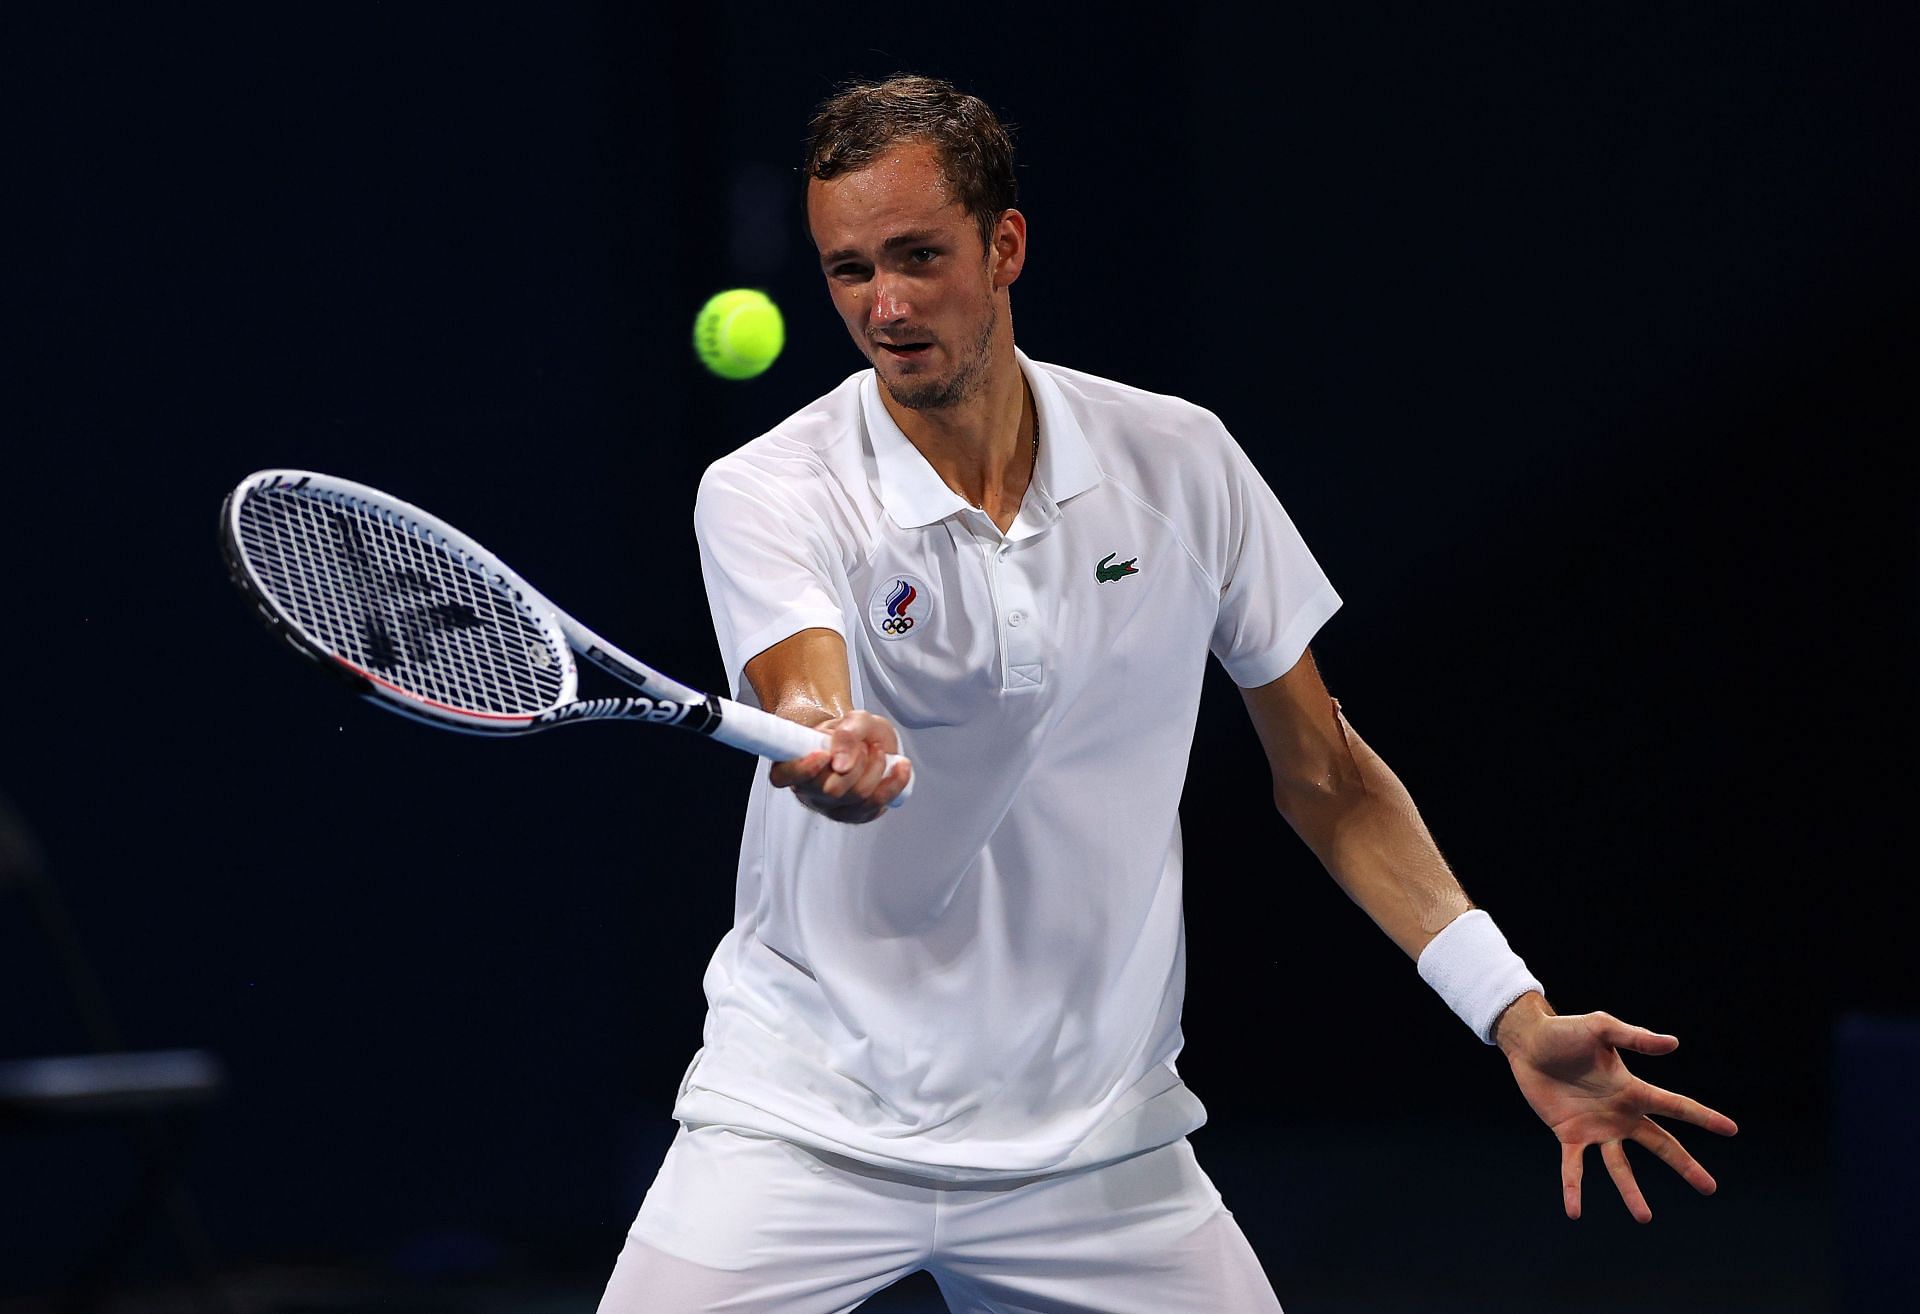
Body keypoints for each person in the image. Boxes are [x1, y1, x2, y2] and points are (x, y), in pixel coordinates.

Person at [597, 75, 1737, 1313]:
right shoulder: (766, 489)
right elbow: (803, 689)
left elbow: (1329, 777)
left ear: (1007, 244)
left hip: (1100, 1155)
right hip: (803, 1123)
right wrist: (832, 743)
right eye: (848, 270)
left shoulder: (1181, 463)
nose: (886, 306)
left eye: (920, 257)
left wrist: (1511, 1009)